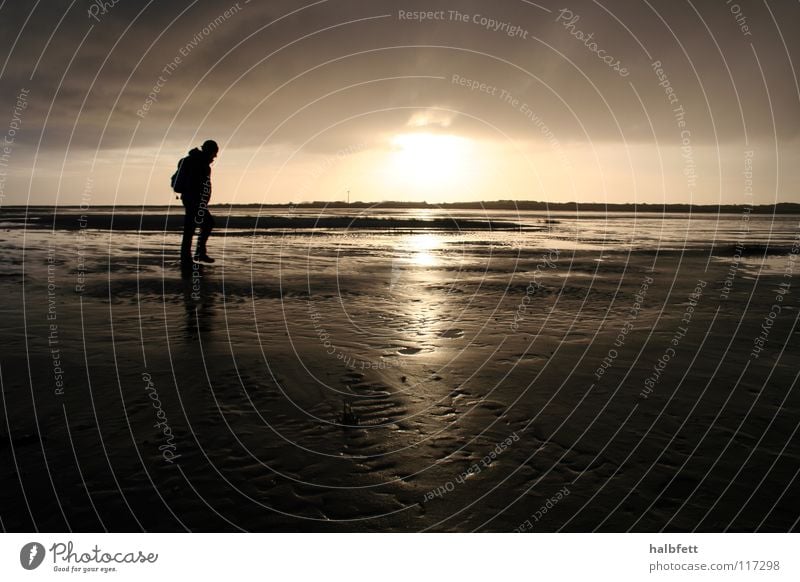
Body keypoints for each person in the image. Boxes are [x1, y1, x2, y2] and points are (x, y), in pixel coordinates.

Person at [173, 139, 218, 265]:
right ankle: (197, 254)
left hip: (190, 198)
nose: (215, 156)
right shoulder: (199, 163)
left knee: (191, 227)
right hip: (194, 199)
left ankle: (190, 257)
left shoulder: (194, 161)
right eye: (214, 153)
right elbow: (198, 184)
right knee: (206, 224)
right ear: (209, 151)